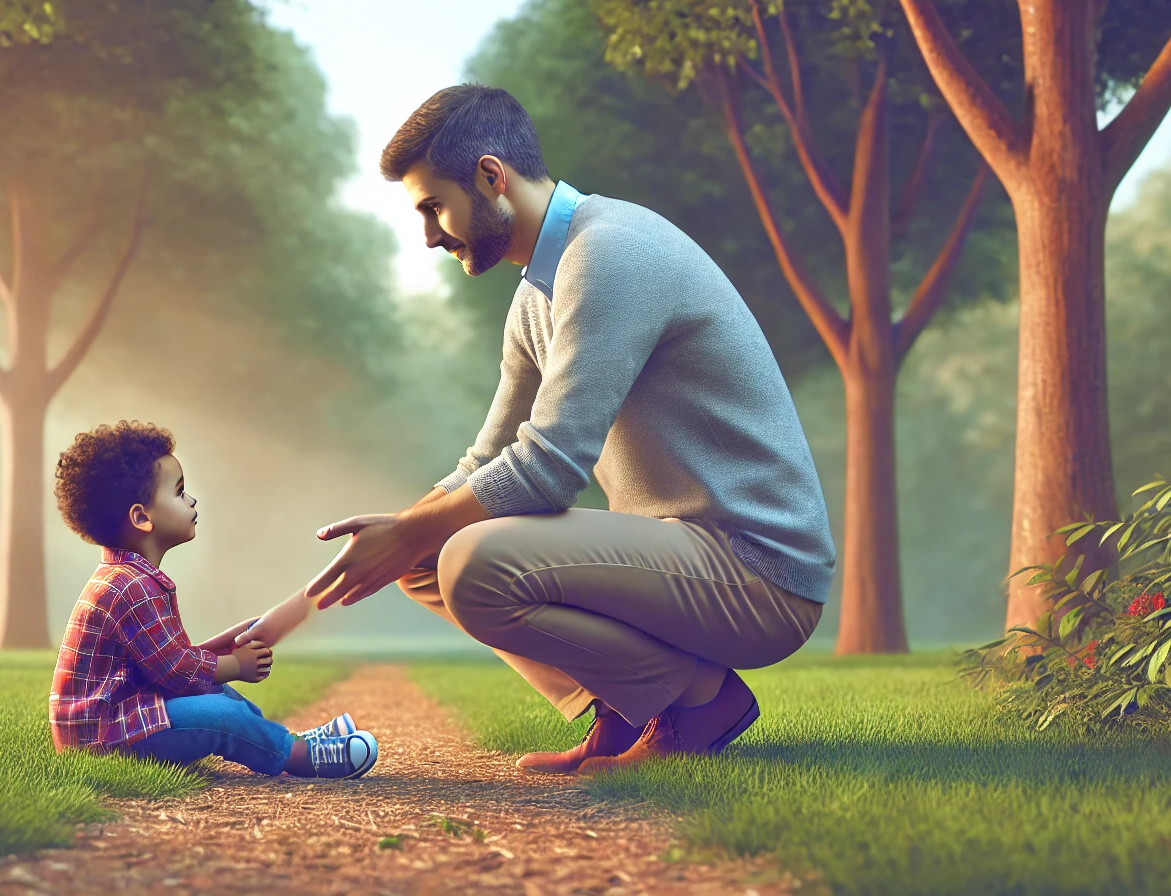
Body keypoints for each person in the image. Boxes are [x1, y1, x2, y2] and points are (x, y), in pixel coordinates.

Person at [276, 85, 836, 774]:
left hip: (755, 573)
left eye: (433, 207)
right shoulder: (535, 294)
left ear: (491, 177)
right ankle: (622, 709)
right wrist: (394, 535)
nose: (427, 236)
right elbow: (487, 458)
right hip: (678, 552)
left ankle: (696, 705)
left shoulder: (608, 254)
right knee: (422, 558)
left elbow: (550, 468)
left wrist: (416, 531)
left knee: (470, 560)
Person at [48, 420, 377, 779]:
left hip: (123, 717)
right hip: (108, 736)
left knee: (217, 693)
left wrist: (230, 644)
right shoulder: (131, 588)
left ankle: (286, 740)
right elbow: (176, 672)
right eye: (179, 492)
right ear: (142, 518)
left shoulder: (129, 578)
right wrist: (237, 664)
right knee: (222, 714)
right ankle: (299, 756)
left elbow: (166, 662)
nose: (191, 500)